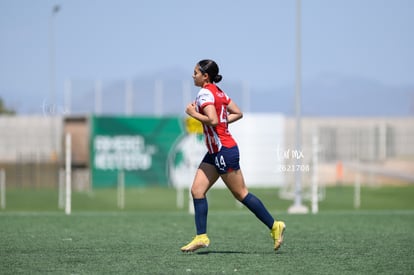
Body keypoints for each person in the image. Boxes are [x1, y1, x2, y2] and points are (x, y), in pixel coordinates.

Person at [181, 59, 286, 252]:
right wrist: (221, 121)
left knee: (241, 193)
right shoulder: (219, 92)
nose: (193, 75)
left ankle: (275, 226)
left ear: (205, 76)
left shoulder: (204, 93)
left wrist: (192, 113)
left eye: (195, 72)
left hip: (223, 150)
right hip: (215, 152)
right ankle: (201, 237)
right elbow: (237, 113)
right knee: (197, 190)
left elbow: (212, 120)